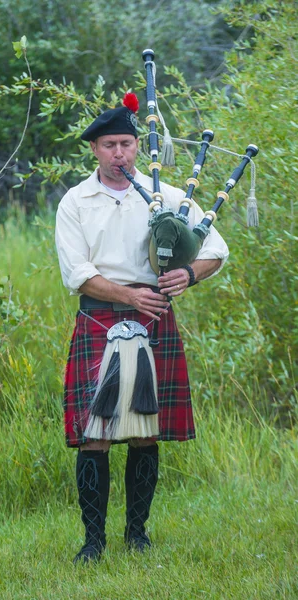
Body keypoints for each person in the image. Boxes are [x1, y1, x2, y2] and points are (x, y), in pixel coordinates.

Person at [55, 94, 229, 564]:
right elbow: (77, 273)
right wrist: (129, 295)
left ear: (138, 146)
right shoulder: (76, 201)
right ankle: (93, 543)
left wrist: (189, 275)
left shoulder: (168, 197)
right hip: (100, 315)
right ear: (95, 149)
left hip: (153, 319)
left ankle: (137, 534)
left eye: (127, 144)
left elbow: (217, 248)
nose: (120, 153)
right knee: (95, 433)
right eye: (110, 144)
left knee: (145, 433)